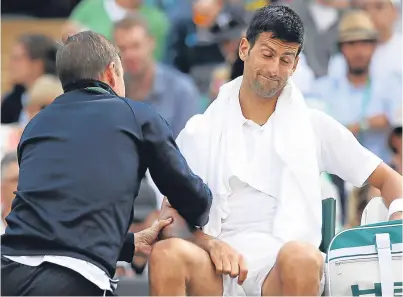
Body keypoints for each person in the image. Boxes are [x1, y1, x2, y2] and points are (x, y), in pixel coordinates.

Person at [148, 5, 403, 296]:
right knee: (166, 255)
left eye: (285, 59)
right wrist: (209, 244)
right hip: (216, 266)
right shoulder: (199, 130)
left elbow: (390, 180)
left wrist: (397, 224)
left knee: (302, 256)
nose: (274, 69)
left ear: (295, 66)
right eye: (267, 54)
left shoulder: (314, 125)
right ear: (244, 48)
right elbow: (170, 217)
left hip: (284, 269)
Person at [1, 31, 212, 296]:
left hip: (8, 270)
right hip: (74, 276)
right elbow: (188, 196)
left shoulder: (35, 125)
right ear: (112, 71)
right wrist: (205, 205)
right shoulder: (137, 116)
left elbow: (51, 215)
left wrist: (129, 244)